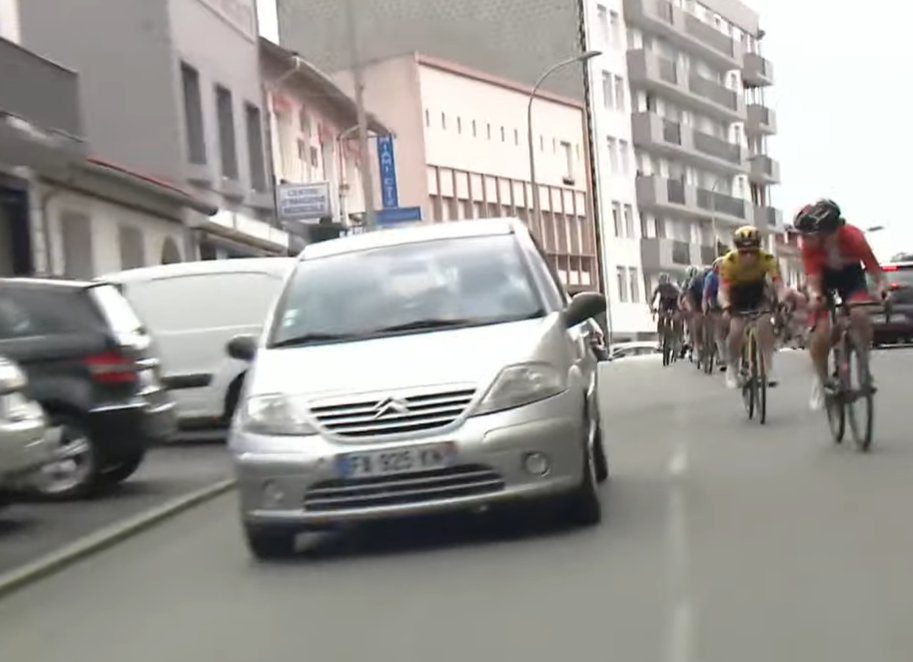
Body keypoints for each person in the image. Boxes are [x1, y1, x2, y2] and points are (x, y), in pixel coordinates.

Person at [793, 199, 886, 410]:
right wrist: (816, 297)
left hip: (850, 276)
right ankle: (821, 377)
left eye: (814, 236)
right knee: (822, 330)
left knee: (859, 313)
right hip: (824, 278)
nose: (808, 240)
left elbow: (874, 268)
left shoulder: (854, 237)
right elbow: (813, 282)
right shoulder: (810, 246)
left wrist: (881, 288)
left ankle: (863, 362)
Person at [718, 225, 785, 388]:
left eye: (752, 252)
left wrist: (781, 300)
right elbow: (723, 290)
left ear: (758, 250)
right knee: (736, 331)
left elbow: (778, 284)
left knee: (764, 324)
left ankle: (768, 366)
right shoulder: (729, 261)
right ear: (738, 251)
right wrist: (726, 307)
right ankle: (732, 368)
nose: (748, 256)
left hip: (757, 292)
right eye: (744, 252)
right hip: (737, 295)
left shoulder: (767, 259)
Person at [703, 257, 728, 369]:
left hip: (729, 302)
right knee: (719, 332)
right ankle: (723, 357)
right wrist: (706, 309)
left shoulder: (730, 276)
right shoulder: (711, 277)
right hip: (715, 304)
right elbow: (706, 295)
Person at [681, 265, 707, 361]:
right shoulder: (690, 284)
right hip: (694, 302)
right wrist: (690, 309)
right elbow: (685, 297)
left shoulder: (706, 280)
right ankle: (695, 344)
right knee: (695, 321)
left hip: (705, 300)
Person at [651, 273, 681, 351]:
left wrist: (678, 310)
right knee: (660, 320)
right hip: (664, 303)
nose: (664, 287)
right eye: (662, 285)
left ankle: (678, 339)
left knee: (676, 320)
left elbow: (680, 298)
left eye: (665, 285)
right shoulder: (659, 287)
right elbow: (653, 298)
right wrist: (652, 308)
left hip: (674, 302)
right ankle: (660, 342)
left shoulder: (674, 288)